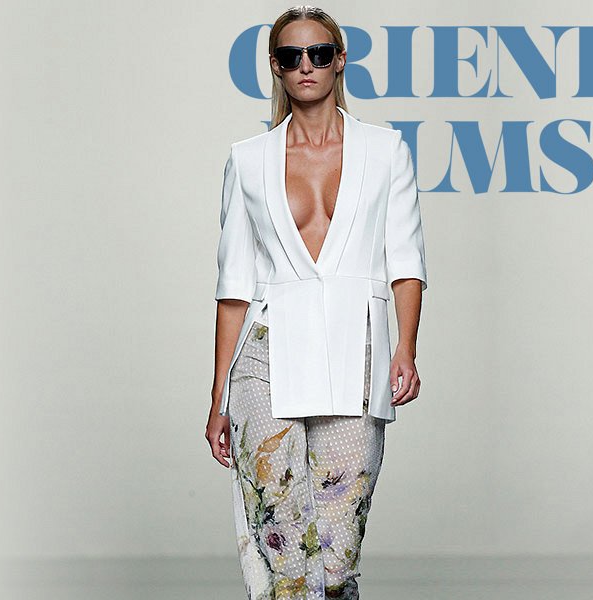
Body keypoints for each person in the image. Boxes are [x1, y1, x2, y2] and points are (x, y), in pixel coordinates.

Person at [204, 6, 428, 600]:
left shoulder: (385, 150)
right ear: (276, 67)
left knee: (336, 545)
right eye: (291, 55)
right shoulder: (248, 159)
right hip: (264, 352)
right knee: (282, 537)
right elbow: (233, 287)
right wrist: (218, 398)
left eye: (320, 53)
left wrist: (406, 347)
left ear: (339, 61)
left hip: (356, 347)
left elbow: (406, 262)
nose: (307, 65)